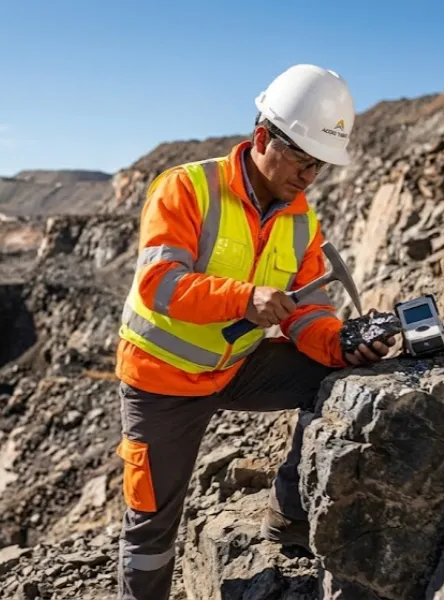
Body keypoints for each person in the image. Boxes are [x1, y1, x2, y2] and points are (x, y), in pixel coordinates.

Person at [114, 64, 397, 600]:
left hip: (238, 365)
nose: (309, 176)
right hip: (162, 383)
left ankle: (289, 512)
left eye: (320, 165)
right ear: (264, 137)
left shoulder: (301, 222)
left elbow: (305, 310)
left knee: (329, 378)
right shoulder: (186, 189)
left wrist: (338, 344)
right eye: (303, 159)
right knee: (150, 526)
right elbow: (159, 285)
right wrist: (245, 297)